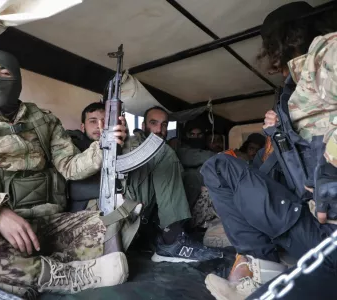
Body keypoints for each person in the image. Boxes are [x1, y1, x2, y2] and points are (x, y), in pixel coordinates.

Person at [0, 49, 130, 297]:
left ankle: (14, 276)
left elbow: (70, 166)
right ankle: (62, 275)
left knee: (118, 220)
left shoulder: (44, 121)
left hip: (48, 225)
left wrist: (104, 146)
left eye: (4, 72)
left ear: (17, 79)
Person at [202, 3, 337, 300]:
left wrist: (330, 172)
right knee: (219, 167)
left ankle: (262, 264)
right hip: (311, 223)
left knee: (218, 167)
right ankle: (262, 265)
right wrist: (279, 134)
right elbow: (285, 169)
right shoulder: (293, 88)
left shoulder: (328, 51)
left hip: (329, 231)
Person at [67, 104, 223, 263]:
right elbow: (71, 187)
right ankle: (171, 238)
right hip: (99, 205)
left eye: (104, 122)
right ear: (82, 126)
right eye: (93, 121)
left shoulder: (119, 144)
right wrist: (115, 186)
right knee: (161, 152)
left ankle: (169, 234)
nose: (100, 126)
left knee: (186, 172)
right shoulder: (75, 146)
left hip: (130, 200)